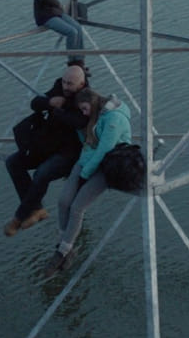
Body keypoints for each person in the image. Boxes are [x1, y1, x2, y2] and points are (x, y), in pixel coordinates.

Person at [45, 86, 132, 277]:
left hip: (107, 164)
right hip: (87, 159)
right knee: (63, 202)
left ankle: (62, 251)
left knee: (77, 207)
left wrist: (85, 174)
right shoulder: (94, 116)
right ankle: (65, 244)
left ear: (93, 103)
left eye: (85, 109)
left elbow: (104, 149)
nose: (84, 113)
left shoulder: (113, 118)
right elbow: (88, 142)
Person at [3, 62, 90, 237]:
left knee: (42, 173)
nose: (65, 86)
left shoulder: (86, 97)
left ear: (81, 84)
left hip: (68, 153)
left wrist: (59, 111)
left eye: (70, 84)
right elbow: (35, 103)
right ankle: (36, 209)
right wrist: (50, 102)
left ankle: (19, 217)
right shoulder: (59, 87)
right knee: (13, 162)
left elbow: (80, 121)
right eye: (64, 82)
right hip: (46, 146)